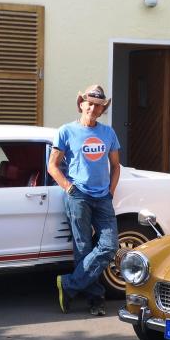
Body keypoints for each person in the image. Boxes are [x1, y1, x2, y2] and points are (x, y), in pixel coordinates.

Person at [48, 84, 121, 316]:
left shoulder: (108, 133)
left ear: (101, 110)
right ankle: (96, 298)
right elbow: (53, 166)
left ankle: (68, 285)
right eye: (89, 103)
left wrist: (110, 191)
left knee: (109, 246)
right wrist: (69, 188)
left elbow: (116, 166)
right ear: (81, 104)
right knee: (83, 248)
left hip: (103, 197)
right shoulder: (66, 131)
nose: (92, 108)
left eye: (97, 105)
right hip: (78, 195)